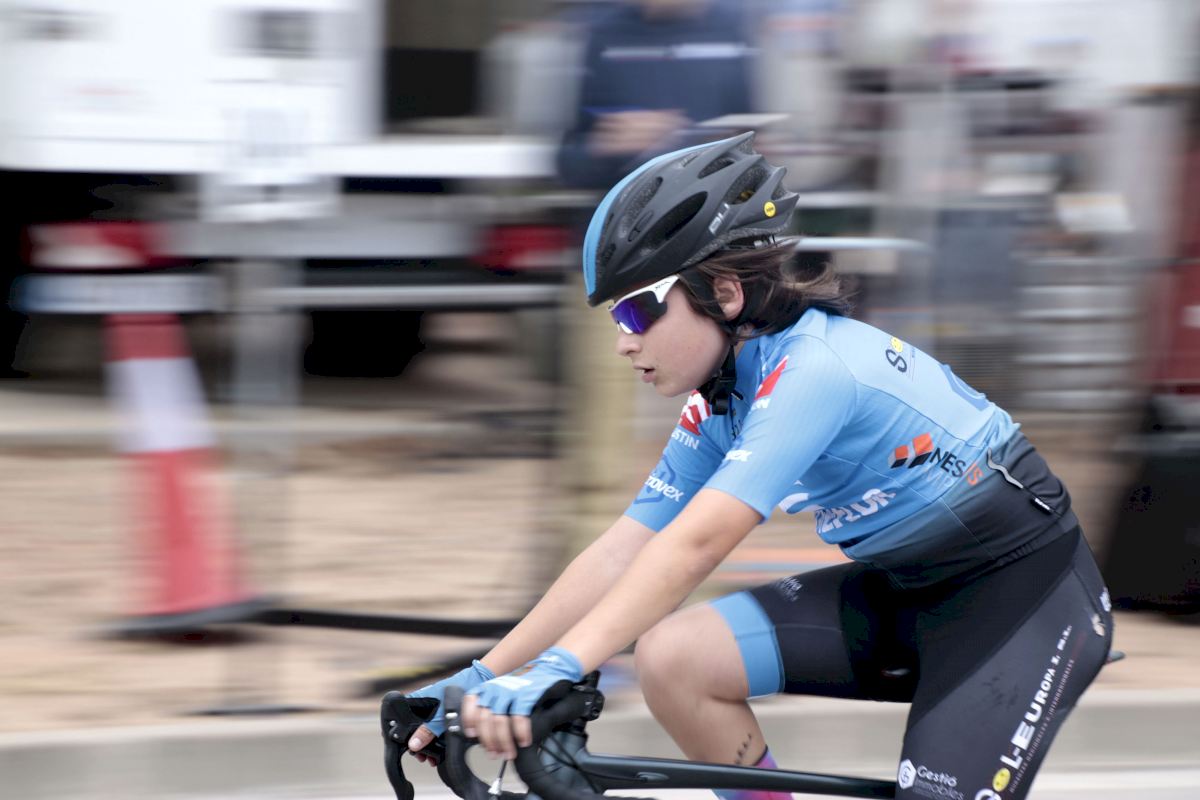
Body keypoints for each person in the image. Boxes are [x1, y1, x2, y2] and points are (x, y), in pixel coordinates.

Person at [405, 133, 1114, 800]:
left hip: (1021, 602)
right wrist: (481, 676)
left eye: (638, 313)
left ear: (726, 294)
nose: (624, 340)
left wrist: (560, 667)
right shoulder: (724, 397)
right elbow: (625, 548)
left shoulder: (815, 370)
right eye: (616, 319)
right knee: (674, 659)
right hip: (906, 592)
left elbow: (697, 544)